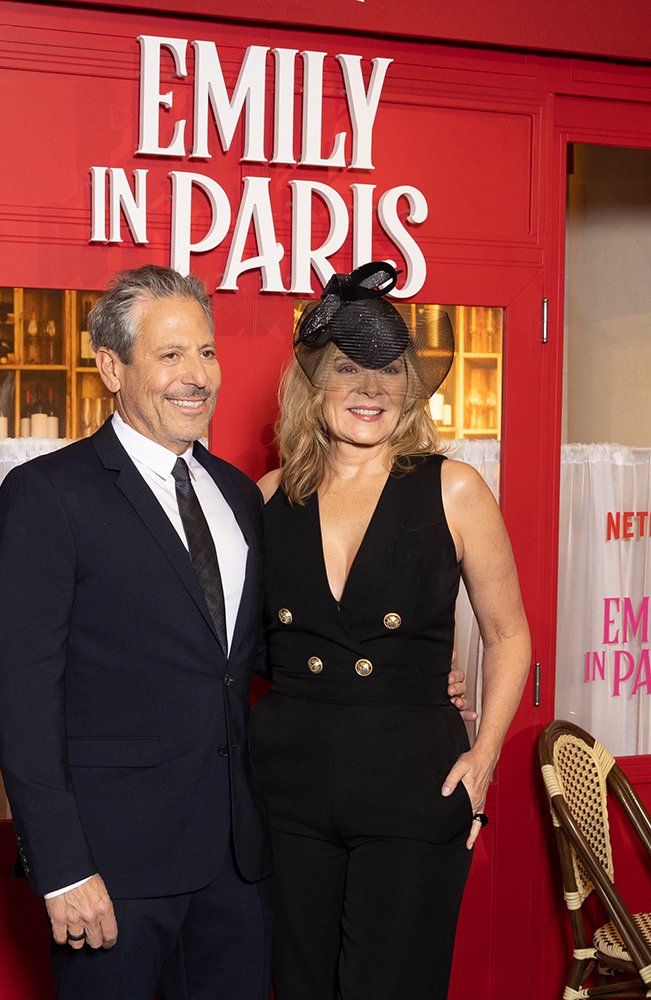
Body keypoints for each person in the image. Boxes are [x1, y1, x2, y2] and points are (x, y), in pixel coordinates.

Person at [0, 264, 273, 1000]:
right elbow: (20, 697)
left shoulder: (237, 494)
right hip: (110, 876)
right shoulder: (49, 495)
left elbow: (244, 658)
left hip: (235, 868)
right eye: (170, 355)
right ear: (112, 368)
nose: (196, 375)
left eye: (206, 352)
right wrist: (64, 868)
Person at [250, 261, 531, 1000]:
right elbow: (234, 651)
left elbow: (508, 636)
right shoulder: (267, 498)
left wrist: (484, 760)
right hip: (287, 788)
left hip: (413, 781)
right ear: (312, 382)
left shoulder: (454, 487)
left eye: (388, 371)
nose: (370, 390)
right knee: (298, 985)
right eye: (347, 367)